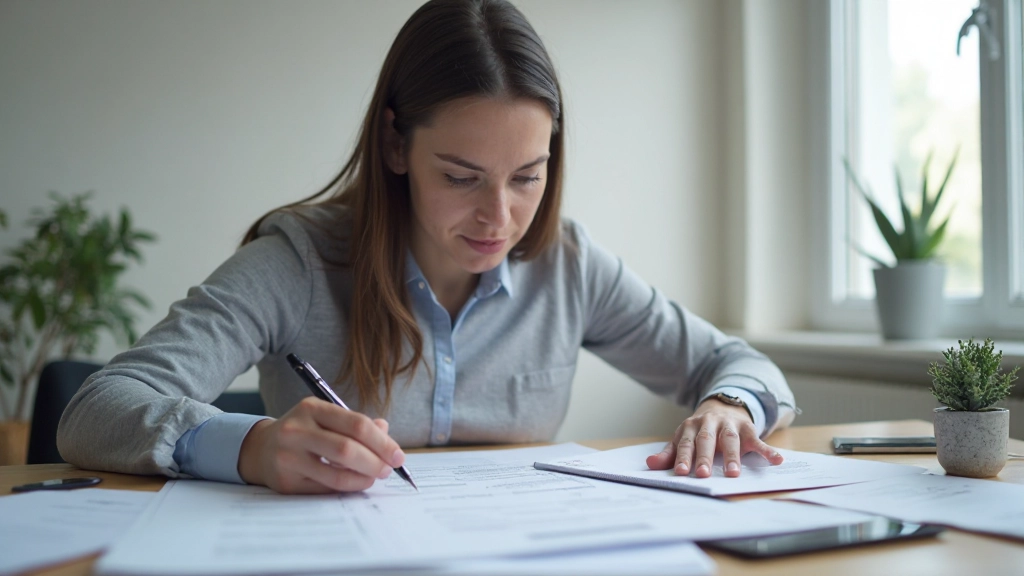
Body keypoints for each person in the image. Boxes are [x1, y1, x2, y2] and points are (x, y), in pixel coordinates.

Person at [57, 0, 797, 494]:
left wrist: (730, 404)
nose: (498, 217)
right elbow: (96, 409)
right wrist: (248, 447)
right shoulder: (298, 264)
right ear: (394, 143)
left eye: (528, 177)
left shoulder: (567, 265)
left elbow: (738, 365)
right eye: (462, 176)